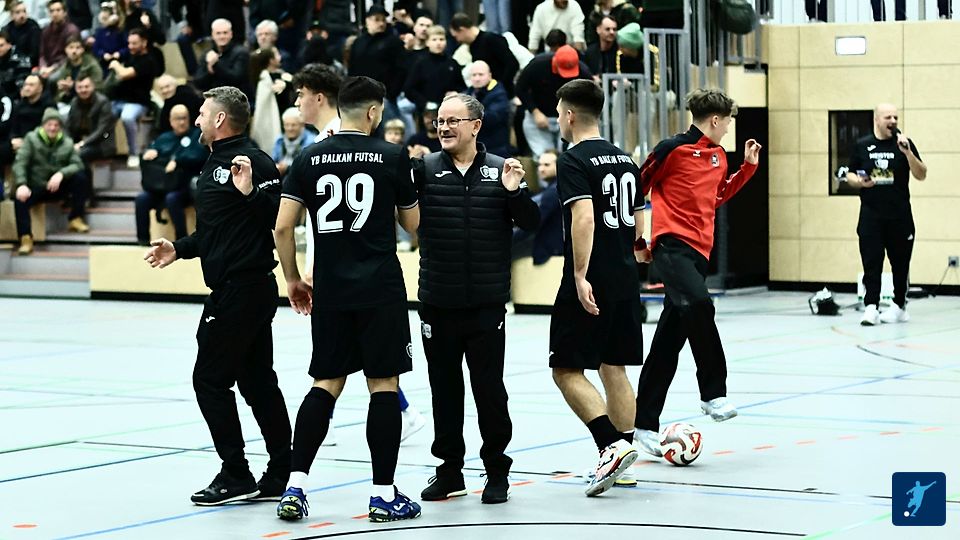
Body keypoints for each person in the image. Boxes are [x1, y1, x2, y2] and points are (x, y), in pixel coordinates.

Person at [272, 76, 422, 523]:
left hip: (331, 289)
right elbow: (412, 224)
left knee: (325, 383)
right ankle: (382, 495)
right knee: (384, 385)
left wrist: (293, 279)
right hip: (380, 289)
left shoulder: (309, 156)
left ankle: (295, 487)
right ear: (374, 112)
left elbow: (282, 227)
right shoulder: (392, 155)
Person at [143, 86, 292, 506]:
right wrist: (179, 248)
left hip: (243, 289)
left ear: (220, 119)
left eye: (203, 113)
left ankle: (236, 473)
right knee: (257, 381)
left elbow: (279, 218)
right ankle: (282, 470)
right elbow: (216, 232)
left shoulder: (253, 162)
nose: (197, 120)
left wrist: (251, 192)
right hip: (240, 289)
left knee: (209, 380)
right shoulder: (213, 161)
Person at [415, 94, 539, 505]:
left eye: (453, 120)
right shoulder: (424, 169)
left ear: (476, 126)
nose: (444, 127)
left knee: (489, 391)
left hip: (486, 305)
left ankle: (496, 471)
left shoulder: (502, 169)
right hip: (437, 302)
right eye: (440, 120)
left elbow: (531, 222)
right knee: (444, 391)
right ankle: (450, 472)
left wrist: (515, 192)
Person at [633, 89, 761, 456]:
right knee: (702, 306)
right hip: (671, 246)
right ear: (716, 120)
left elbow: (717, 196)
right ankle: (712, 393)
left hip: (699, 254)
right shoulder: (671, 149)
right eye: (728, 121)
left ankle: (644, 425)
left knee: (667, 343)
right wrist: (638, 241)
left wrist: (747, 168)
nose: (729, 128)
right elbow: (636, 188)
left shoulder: (719, 156)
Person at [548, 80, 643, 497]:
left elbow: (583, 218)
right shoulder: (625, 159)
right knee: (613, 366)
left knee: (566, 369)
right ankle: (624, 458)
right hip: (625, 274)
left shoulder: (573, 160)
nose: (557, 119)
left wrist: (580, 275)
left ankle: (611, 446)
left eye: (558, 112)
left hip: (594, 276)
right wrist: (632, 254)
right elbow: (640, 221)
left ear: (570, 115)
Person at [846, 103, 926, 325]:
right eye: (888, 117)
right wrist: (859, 181)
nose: (893, 121)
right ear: (876, 120)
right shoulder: (862, 145)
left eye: (895, 117)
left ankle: (899, 306)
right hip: (871, 215)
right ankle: (871, 307)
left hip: (899, 215)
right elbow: (849, 174)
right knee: (871, 262)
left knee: (900, 263)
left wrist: (907, 152)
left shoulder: (904, 144)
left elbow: (921, 174)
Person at [13, 108, 90, 255]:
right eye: (49, 124)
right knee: (20, 199)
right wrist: (21, 184)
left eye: (56, 125)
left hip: (57, 187)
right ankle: (25, 238)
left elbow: (78, 164)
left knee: (80, 177)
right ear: (43, 125)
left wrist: (61, 174)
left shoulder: (67, 142)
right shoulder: (31, 139)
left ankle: (75, 218)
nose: (53, 128)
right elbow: (20, 163)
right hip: (36, 186)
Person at [134, 104, 208, 244]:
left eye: (184, 118)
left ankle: (181, 240)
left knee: (172, 198)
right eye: (178, 118)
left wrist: (178, 161)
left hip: (184, 187)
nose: (182, 122)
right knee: (142, 199)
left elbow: (199, 155)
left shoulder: (197, 136)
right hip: (161, 185)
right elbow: (149, 156)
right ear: (171, 120)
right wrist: (149, 153)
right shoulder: (164, 138)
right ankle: (142, 240)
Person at [515, 44, 593, 160]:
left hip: (569, 118)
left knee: (571, 156)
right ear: (555, 62)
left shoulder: (583, 71)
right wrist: (535, 111)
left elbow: (590, 96)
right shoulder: (537, 65)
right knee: (544, 157)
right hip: (539, 115)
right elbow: (520, 88)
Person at [107, 28, 160, 168]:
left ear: (144, 42)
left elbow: (124, 74)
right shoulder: (129, 57)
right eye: (129, 43)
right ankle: (107, 151)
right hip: (119, 100)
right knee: (104, 114)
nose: (130, 46)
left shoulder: (148, 61)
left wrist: (115, 64)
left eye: (134, 43)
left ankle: (133, 153)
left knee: (127, 117)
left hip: (138, 102)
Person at [449, 13, 519, 97]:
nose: (457, 40)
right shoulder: (472, 46)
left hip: (502, 94)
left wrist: (500, 86)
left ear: (462, 30)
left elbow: (512, 64)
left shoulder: (492, 39)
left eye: (456, 36)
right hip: (487, 95)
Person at [513, 149, 562, 264]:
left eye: (547, 165)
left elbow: (533, 223)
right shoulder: (551, 189)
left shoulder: (554, 191)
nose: (541, 169)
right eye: (539, 165)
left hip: (550, 251)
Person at [193, 18, 252, 98]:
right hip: (213, 98)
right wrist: (209, 71)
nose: (222, 36)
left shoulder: (241, 53)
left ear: (231, 34)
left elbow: (236, 79)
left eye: (225, 33)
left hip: (235, 99)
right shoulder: (207, 54)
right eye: (218, 33)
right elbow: (198, 82)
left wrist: (215, 65)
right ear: (212, 35)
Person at [465, 60, 511, 158]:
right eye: (474, 75)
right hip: (473, 147)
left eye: (481, 75)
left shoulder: (499, 93)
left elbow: (492, 117)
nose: (477, 78)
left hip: (495, 147)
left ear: (490, 76)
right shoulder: (468, 93)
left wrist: (467, 113)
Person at [272, 107, 313, 177]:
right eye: (287, 125)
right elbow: (273, 160)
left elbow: (307, 166)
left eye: (293, 125)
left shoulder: (311, 141)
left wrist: (287, 168)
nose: (290, 128)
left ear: (302, 125)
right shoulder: (279, 140)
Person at [3, 1, 41, 67]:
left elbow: (35, 52)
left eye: (24, 11)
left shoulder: (33, 27)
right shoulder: (7, 29)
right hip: (10, 63)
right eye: (18, 12)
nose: (22, 15)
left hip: (29, 64)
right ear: (11, 15)